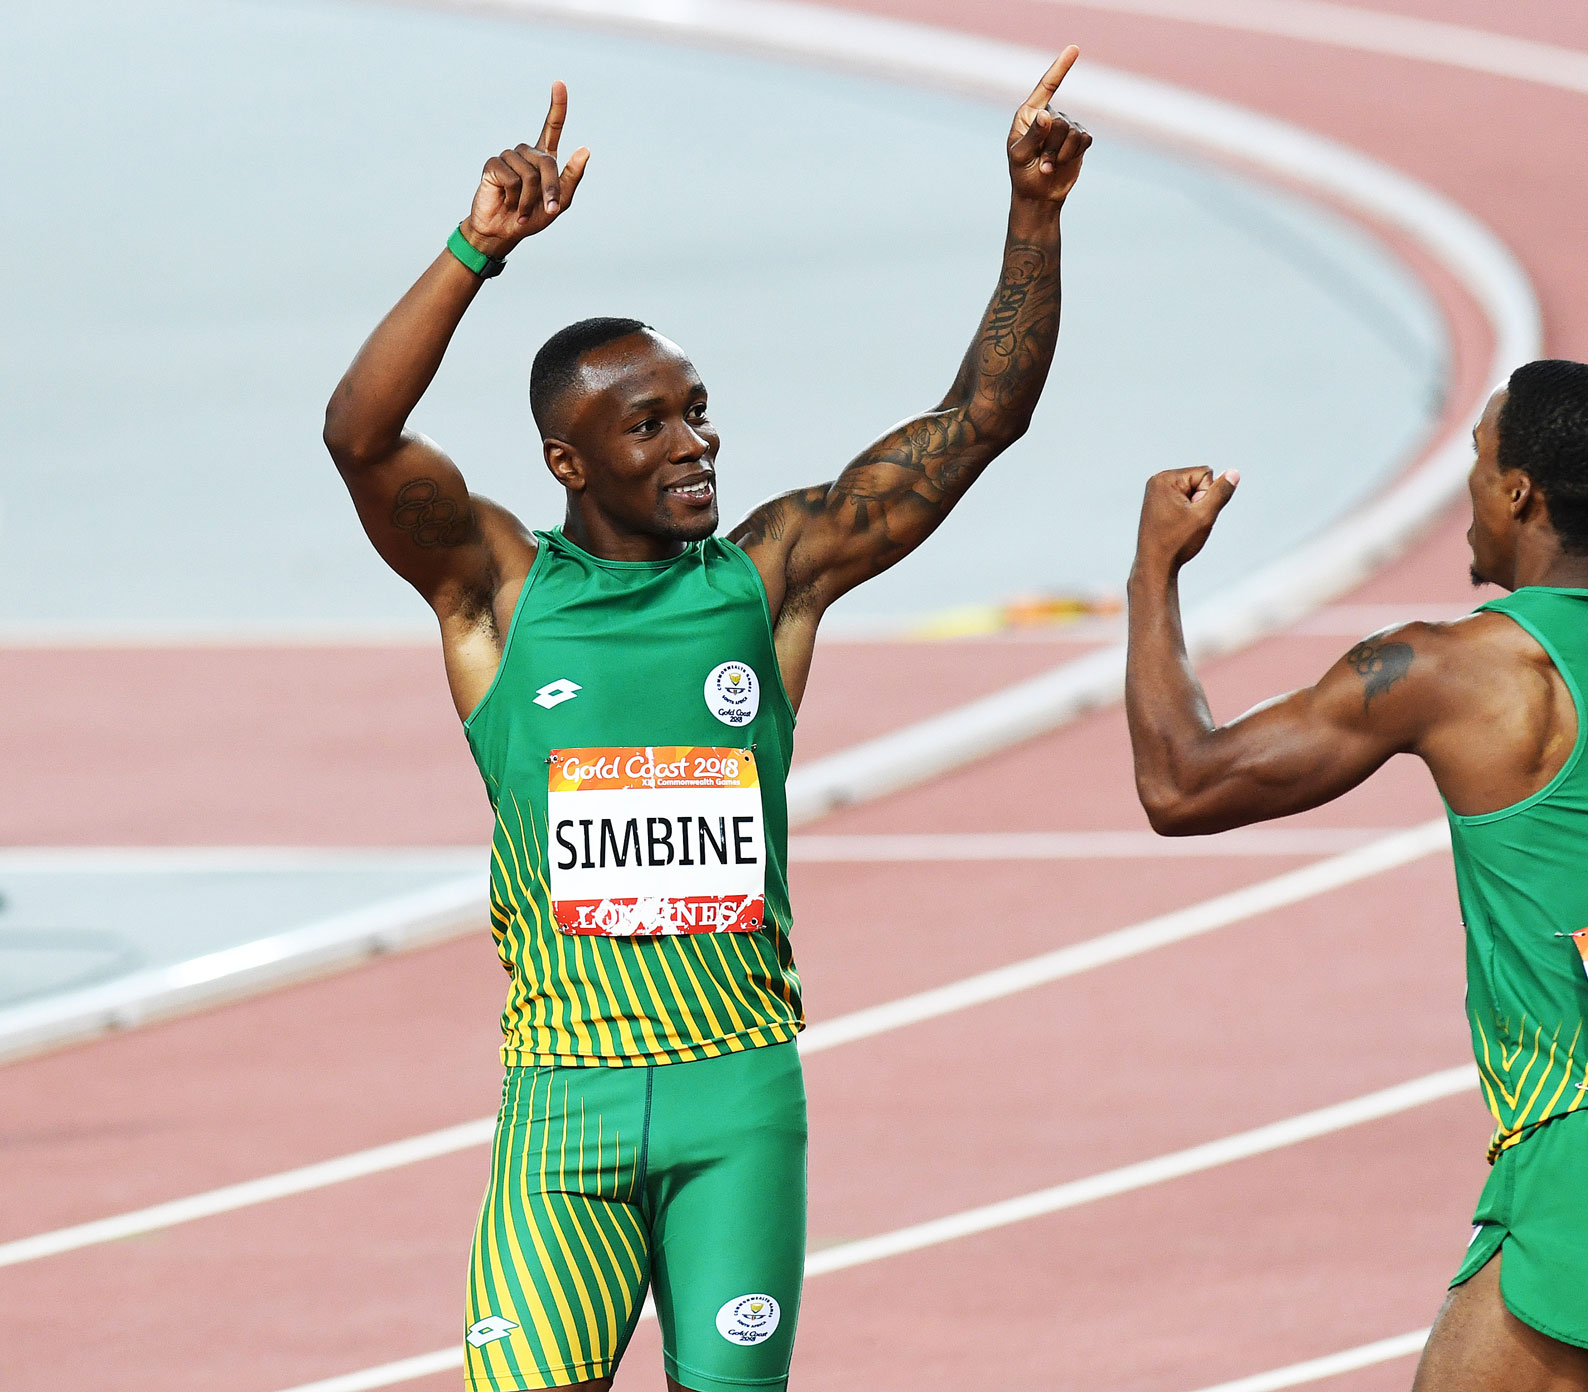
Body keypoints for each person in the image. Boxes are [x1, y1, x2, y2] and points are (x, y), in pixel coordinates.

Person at [322, 56, 1089, 1392]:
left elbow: (979, 421)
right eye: (649, 425)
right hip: (564, 1106)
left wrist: (1033, 212)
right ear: (569, 461)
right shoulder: (496, 593)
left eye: (698, 411)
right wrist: (475, 250)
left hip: (737, 1094)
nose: (694, 444)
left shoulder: (769, 576)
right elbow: (360, 436)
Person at [1123, 360, 1588, 1390]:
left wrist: (1153, 572)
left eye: (1479, 462)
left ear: (1518, 493)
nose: (1469, 489)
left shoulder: (1457, 669)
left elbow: (1182, 784)